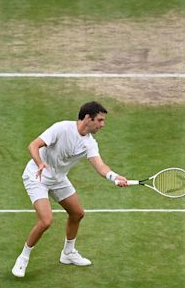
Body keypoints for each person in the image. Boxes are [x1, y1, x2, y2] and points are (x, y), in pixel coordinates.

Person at [11, 101, 128, 278]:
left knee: (77, 213)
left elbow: (100, 166)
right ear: (88, 118)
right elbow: (33, 145)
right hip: (37, 176)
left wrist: (114, 177)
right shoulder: (61, 128)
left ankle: (68, 253)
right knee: (46, 220)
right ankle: (23, 258)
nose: (102, 125)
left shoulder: (89, 143)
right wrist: (40, 163)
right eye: (100, 120)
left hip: (58, 179)